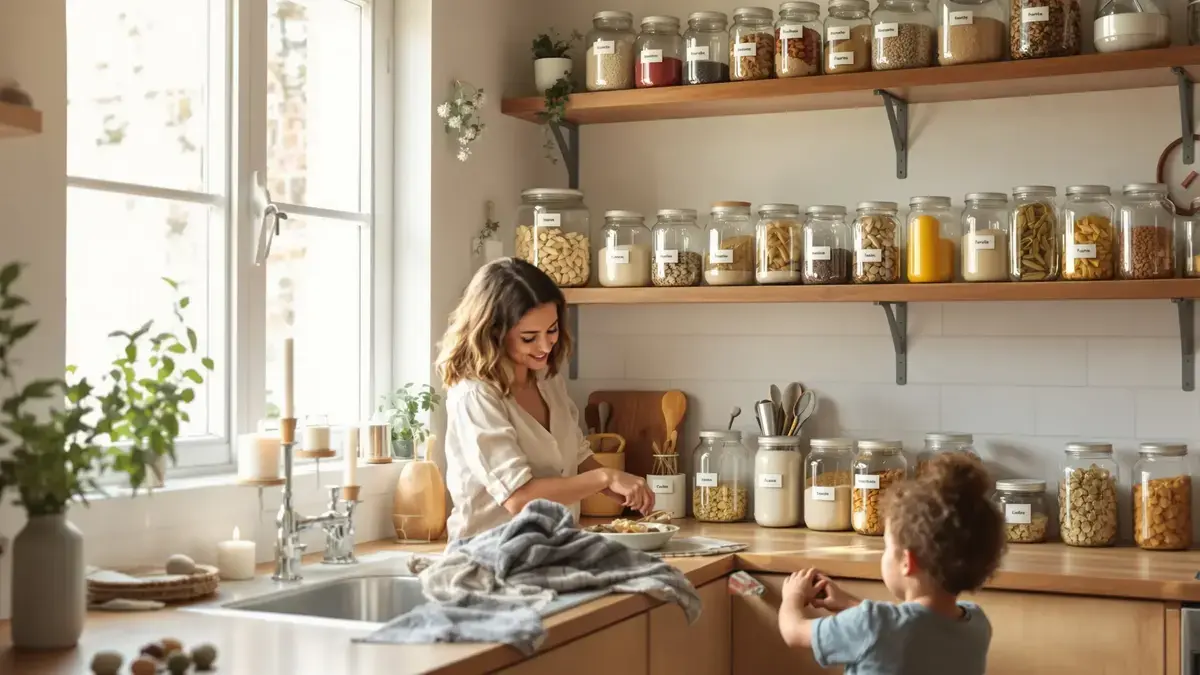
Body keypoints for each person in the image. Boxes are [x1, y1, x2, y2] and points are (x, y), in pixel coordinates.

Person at [435, 258, 655, 541]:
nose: (545, 346)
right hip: (491, 554)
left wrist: (613, 488)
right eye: (529, 337)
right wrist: (606, 478)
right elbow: (518, 497)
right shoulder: (475, 396)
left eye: (551, 330)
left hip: (556, 545)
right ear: (494, 334)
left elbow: (576, 454)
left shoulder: (546, 379)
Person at [777, 453, 1006, 675]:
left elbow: (794, 633)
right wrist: (847, 603)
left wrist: (792, 596)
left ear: (907, 562)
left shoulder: (873, 623)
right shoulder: (977, 624)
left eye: (887, 547)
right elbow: (906, 628)